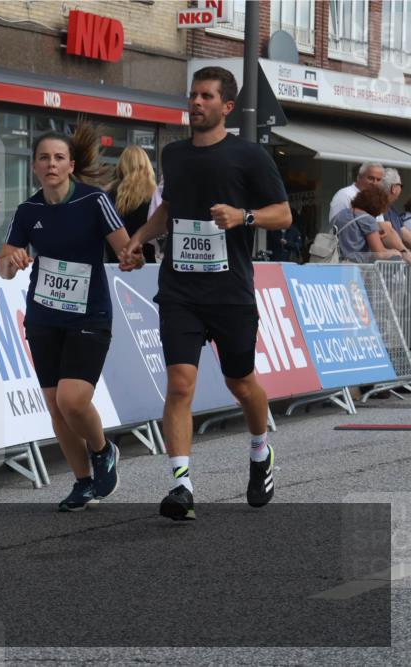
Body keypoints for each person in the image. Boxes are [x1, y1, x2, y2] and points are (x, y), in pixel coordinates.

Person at [121, 66, 292, 521]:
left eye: (206, 97)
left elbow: (284, 215)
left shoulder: (248, 155)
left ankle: (260, 452)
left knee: (241, 383)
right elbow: (171, 209)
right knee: (180, 383)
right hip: (179, 288)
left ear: (226, 107)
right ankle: (181, 486)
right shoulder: (174, 154)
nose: (196, 103)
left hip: (230, 290)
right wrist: (140, 238)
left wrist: (244, 217)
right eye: (193, 95)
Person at [0, 125, 143, 512]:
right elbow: (3, 268)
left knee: (73, 399)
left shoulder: (94, 201)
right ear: (34, 167)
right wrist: (11, 262)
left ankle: (103, 449)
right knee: (55, 406)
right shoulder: (29, 210)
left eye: (59, 158)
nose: (51, 164)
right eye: (44, 158)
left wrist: (132, 258)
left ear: (71, 165)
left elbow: (125, 249)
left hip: (90, 314)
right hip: (44, 315)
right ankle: (81, 483)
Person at [105, 145, 156, 263]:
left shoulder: (108, 195)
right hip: (147, 265)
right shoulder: (153, 196)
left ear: (122, 166)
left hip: (114, 264)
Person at [336, 186, 407, 263]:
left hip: (339, 263)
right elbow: (380, 254)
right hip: (358, 267)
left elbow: (352, 237)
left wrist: (376, 235)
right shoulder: (368, 219)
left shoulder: (342, 214)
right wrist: (398, 252)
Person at [381, 168, 410, 250]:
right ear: (394, 188)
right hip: (388, 260)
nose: (401, 189)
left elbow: (404, 233)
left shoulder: (391, 208)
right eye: (401, 186)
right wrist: (406, 253)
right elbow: (389, 234)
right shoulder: (380, 208)